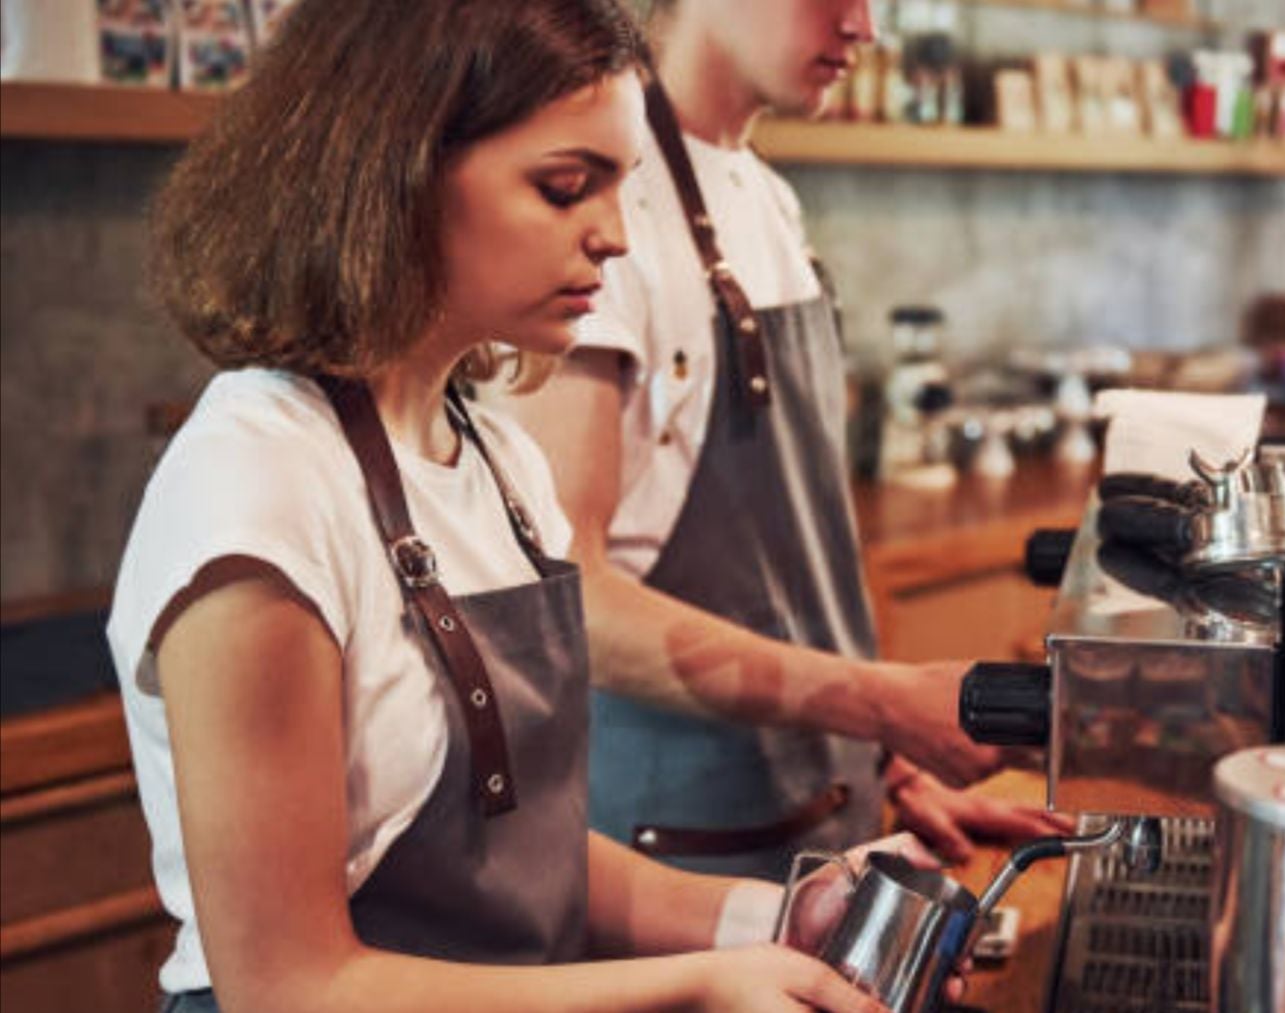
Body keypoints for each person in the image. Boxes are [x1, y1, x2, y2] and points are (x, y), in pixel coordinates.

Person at [110, 1, 936, 1009]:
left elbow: (526, 868)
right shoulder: (257, 488)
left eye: (621, 186)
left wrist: (776, 919)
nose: (616, 237)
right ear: (394, 169)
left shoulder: (495, 456)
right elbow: (292, 983)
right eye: (564, 187)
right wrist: (696, 987)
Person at [503, 0, 1069, 880]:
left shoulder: (765, 198)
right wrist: (885, 701)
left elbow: (790, 564)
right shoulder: (605, 216)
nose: (865, 28)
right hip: (679, 854)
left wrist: (890, 760)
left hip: (819, 816)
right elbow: (570, 600)